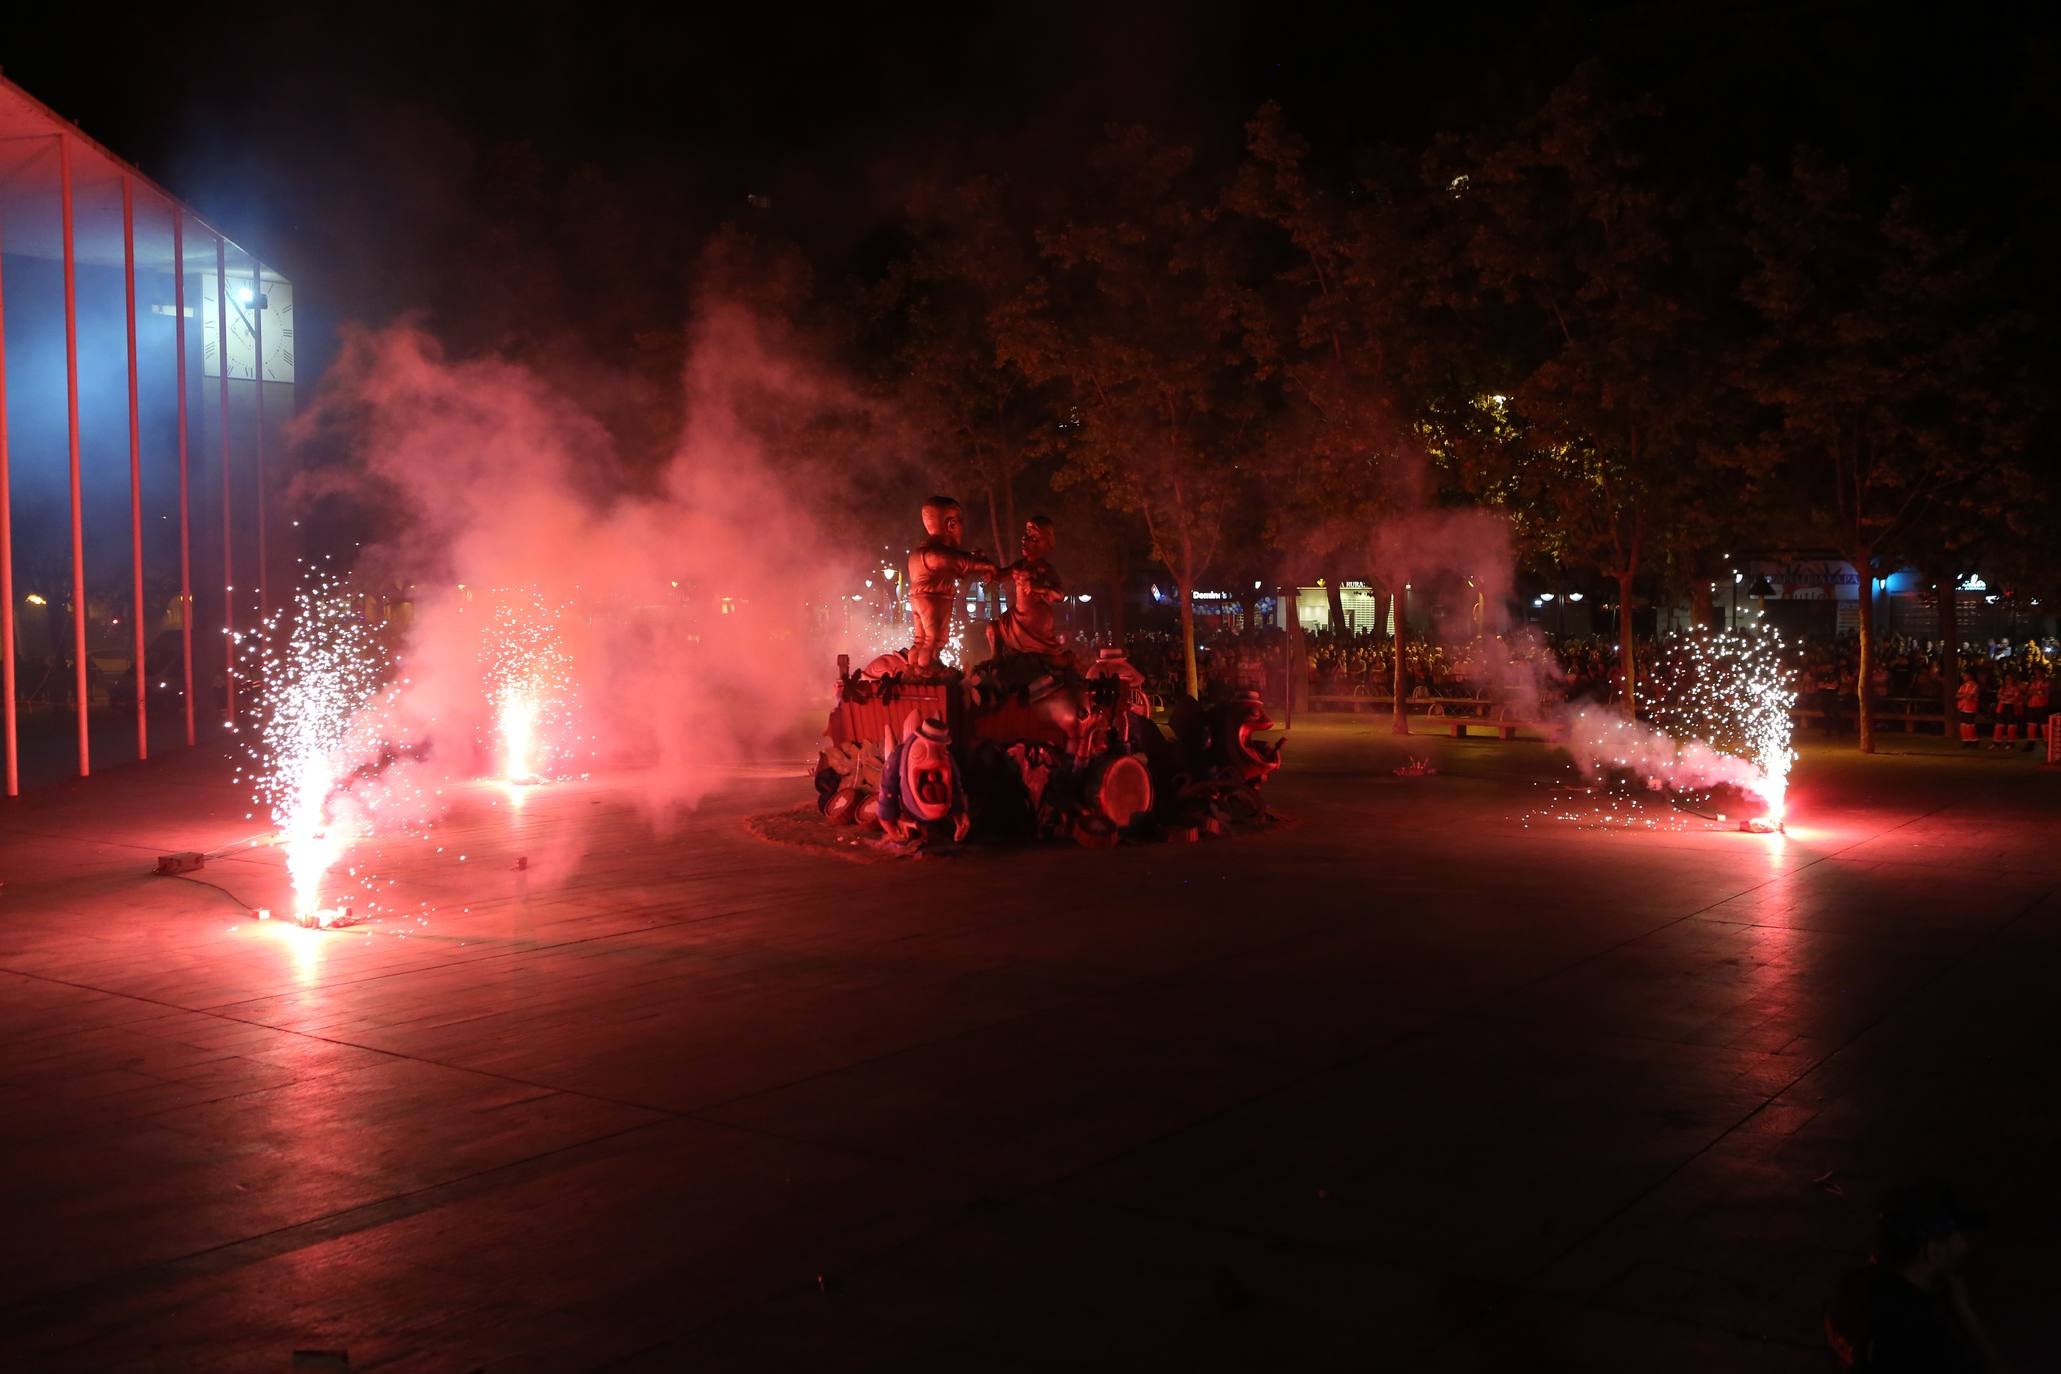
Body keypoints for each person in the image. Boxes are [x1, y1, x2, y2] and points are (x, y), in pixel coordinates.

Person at [1824, 1180, 2001, 1372]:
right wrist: (1967, 1315)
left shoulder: (1851, 1286)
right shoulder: (1927, 1339)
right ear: (1933, 1252)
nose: (1967, 1247)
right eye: (1961, 1238)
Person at [1956, 669, 1981, 748]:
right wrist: (1964, 696)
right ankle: (1966, 740)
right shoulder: (1963, 686)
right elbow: (1957, 695)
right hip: (1963, 706)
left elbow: (1970, 696)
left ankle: (1973, 740)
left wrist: (1963, 695)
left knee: (1970, 724)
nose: (1963, 677)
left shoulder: (1974, 685)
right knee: (1963, 724)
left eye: (1965, 675)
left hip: (1970, 707)